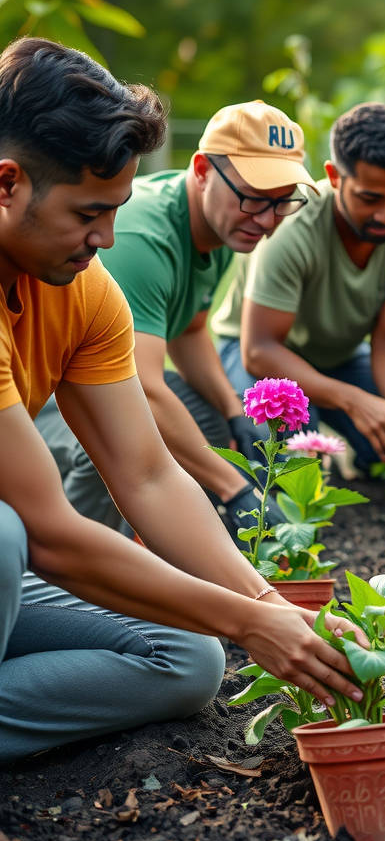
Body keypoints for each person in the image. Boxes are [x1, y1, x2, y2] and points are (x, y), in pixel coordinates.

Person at [0, 39, 367, 826]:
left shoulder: (83, 290)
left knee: (186, 658)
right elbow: (50, 535)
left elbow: (151, 476)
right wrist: (246, 618)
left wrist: (271, 607)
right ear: (7, 184)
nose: (105, 240)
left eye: (115, 213)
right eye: (88, 214)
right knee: (3, 534)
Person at [36, 100, 316, 540]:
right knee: (119, 438)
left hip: (98, 381)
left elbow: (190, 329)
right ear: (203, 170)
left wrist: (232, 409)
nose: (266, 222)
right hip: (46, 393)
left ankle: (165, 546)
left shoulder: (224, 225)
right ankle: (79, 566)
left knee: (212, 421)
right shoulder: (143, 238)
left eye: (283, 204)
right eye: (254, 199)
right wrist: (234, 486)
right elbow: (143, 387)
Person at [212, 102, 385, 474]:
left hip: (341, 357)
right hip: (259, 354)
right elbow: (260, 349)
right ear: (334, 176)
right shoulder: (293, 227)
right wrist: (354, 401)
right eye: (370, 198)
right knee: (298, 459)